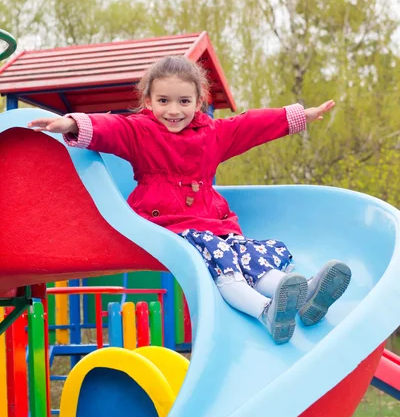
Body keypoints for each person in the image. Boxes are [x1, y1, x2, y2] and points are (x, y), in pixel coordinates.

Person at [28, 55, 351, 344]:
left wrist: (297, 117)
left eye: (183, 101)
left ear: (198, 102)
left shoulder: (212, 134)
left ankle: (303, 294)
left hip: (214, 223)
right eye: (164, 100)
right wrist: (71, 123)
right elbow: (111, 127)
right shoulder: (140, 131)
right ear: (149, 102)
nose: (173, 110)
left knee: (248, 252)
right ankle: (265, 310)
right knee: (222, 260)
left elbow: (249, 125)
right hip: (169, 224)